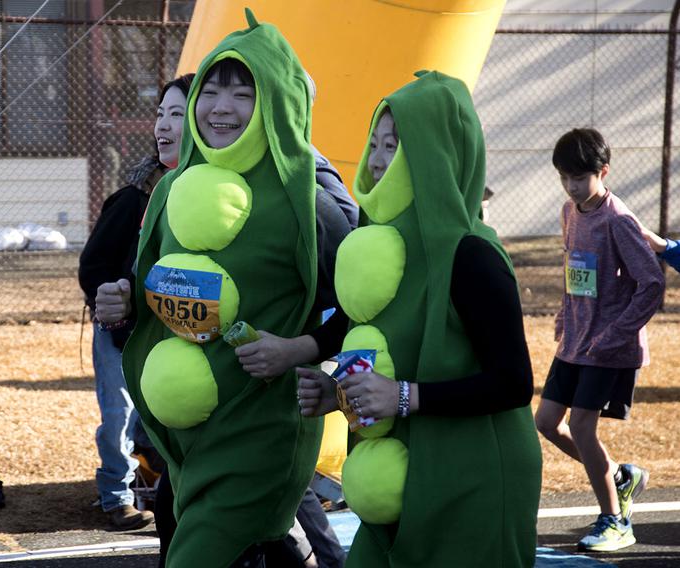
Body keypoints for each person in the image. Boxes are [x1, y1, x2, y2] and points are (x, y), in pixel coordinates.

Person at [98, 11, 329, 566]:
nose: (221, 108)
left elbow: (365, 309)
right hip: (186, 441)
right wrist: (125, 301)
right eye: (211, 90)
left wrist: (300, 349)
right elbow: (158, 283)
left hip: (260, 431)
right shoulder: (173, 186)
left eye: (244, 93)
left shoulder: (310, 196)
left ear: (274, 101)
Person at [297, 70, 542, 567]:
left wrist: (404, 396)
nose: (379, 158)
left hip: (472, 481)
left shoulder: (472, 254)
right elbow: (388, 357)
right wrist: (338, 394)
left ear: (435, 156)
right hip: (408, 477)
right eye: (377, 143)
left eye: (398, 145)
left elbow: (514, 383)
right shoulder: (388, 250)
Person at [534, 127, 664, 552]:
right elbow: (576, 271)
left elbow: (651, 283)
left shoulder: (618, 220)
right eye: (564, 178)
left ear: (603, 171)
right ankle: (620, 476)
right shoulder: (570, 212)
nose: (572, 186)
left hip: (608, 348)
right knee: (546, 423)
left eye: (580, 177)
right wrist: (563, 314)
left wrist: (616, 333)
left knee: (582, 427)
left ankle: (615, 520)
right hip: (575, 341)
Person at [77, 73, 193, 531]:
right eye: (160, 113)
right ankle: (116, 496)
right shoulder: (133, 199)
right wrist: (111, 297)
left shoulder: (216, 199)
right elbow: (94, 267)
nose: (163, 124)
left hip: (175, 339)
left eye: (177, 114)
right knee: (119, 415)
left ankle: (172, 487)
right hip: (121, 338)